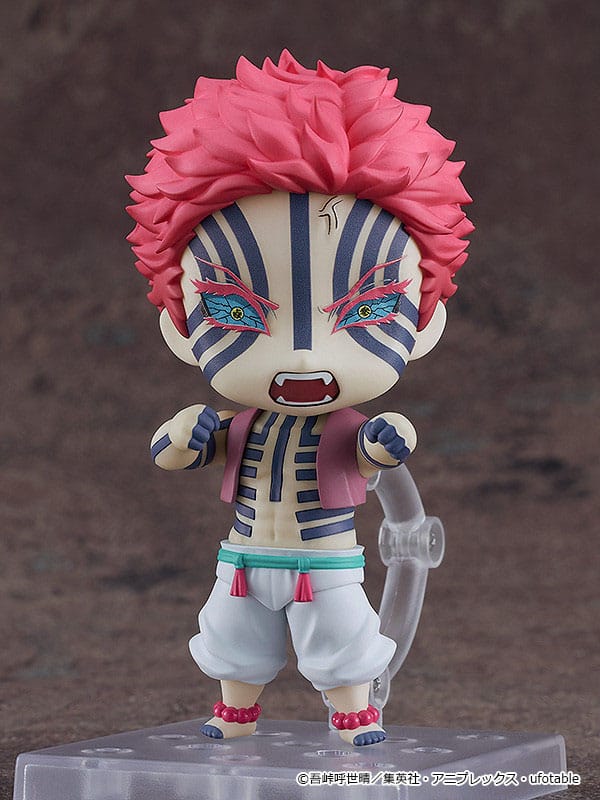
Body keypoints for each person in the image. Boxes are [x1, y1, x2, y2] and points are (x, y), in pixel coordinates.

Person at [126, 50, 473, 746]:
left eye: (367, 308)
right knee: (231, 634)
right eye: (237, 311)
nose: (305, 357)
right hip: (245, 556)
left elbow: (374, 452)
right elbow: (171, 453)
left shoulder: (345, 427)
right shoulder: (236, 422)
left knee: (341, 636)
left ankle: (353, 711)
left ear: (425, 320)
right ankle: (235, 710)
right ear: (180, 325)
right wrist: (185, 435)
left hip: (325, 560)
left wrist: (385, 442)